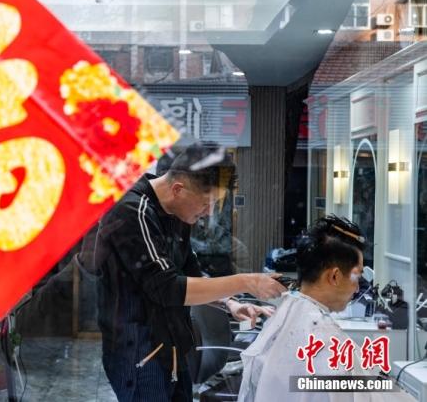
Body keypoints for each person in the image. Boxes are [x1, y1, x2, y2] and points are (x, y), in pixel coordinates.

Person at [95, 142, 286, 402]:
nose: (208, 213)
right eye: (207, 203)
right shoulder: (131, 212)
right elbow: (167, 287)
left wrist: (230, 302)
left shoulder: (178, 214)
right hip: (138, 353)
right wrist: (247, 282)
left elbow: (191, 274)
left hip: (173, 346)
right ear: (178, 189)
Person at [238, 215, 414, 401]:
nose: (357, 288)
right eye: (357, 276)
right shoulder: (323, 339)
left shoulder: (291, 311)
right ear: (334, 277)